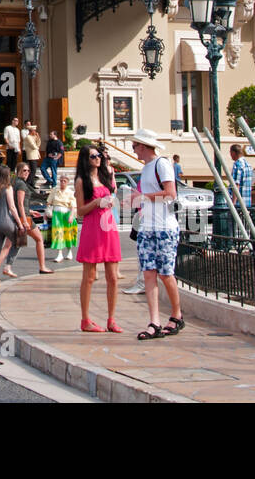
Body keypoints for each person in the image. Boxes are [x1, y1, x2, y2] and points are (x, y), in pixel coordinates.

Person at [130, 129, 184, 340]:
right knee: (149, 273)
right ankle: (154, 322)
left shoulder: (161, 164)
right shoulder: (146, 168)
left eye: (135, 147)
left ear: (143, 146)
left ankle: (176, 314)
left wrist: (142, 197)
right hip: (148, 227)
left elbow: (170, 194)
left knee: (165, 273)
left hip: (164, 227)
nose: (134, 151)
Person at [75, 146, 122, 332]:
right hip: (93, 227)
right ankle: (85, 319)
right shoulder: (81, 181)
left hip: (108, 226)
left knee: (113, 277)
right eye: (93, 156)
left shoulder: (104, 177)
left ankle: (111, 319)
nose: (98, 158)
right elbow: (80, 211)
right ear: (86, 160)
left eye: (99, 155)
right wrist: (95, 203)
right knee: (89, 276)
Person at [5, 162, 54, 275]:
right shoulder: (21, 184)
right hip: (24, 218)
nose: (27, 173)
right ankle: (42, 266)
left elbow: (17, 204)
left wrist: (31, 211)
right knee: (39, 239)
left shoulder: (15, 183)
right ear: (18, 172)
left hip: (20, 216)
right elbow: (20, 204)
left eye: (28, 171)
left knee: (14, 244)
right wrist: (24, 220)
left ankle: (3, 268)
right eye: (24, 171)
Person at [0, 166, 21, 288]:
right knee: (18, 240)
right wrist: (19, 223)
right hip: (7, 221)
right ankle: (8, 265)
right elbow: (12, 207)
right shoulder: (8, 188)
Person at [48, 175, 78, 261]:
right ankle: (59, 254)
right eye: (61, 181)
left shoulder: (70, 192)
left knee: (67, 233)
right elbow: (49, 202)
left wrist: (72, 216)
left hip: (66, 214)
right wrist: (47, 212)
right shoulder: (55, 190)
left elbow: (73, 206)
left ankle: (69, 251)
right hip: (57, 214)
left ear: (67, 182)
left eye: (64, 181)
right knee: (58, 233)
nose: (62, 183)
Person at [228, 144, 253, 209]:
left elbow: (236, 185)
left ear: (233, 153)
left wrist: (233, 203)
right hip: (247, 202)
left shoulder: (237, 165)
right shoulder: (248, 165)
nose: (230, 155)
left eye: (230, 153)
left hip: (238, 203)